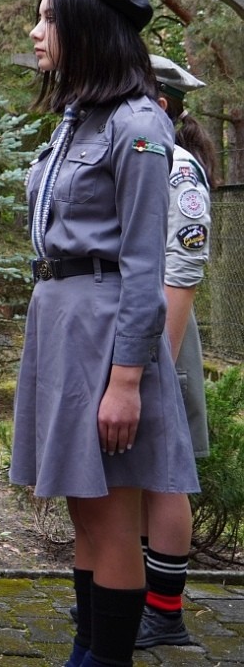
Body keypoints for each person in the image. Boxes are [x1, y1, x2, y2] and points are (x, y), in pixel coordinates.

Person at [10, 0, 199, 667]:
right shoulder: (78, 119)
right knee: (84, 511)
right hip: (63, 323)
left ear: (87, 28)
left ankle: (105, 660)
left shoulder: (138, 124)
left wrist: (126, 380)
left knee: (114, 514)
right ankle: (85, 650)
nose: (36, 32)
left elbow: (147, 265)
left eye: (49, 17)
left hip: (105, 331)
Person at [134, 55, 218, 649]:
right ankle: (135, 598)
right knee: (140, 472)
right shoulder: (144, 157)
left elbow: (184, 263)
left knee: (164, 474)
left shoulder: (178, 168)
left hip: (166, 329)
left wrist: (155, 360)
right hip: (139, 329)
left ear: (159, 105)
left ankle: (164, 613)